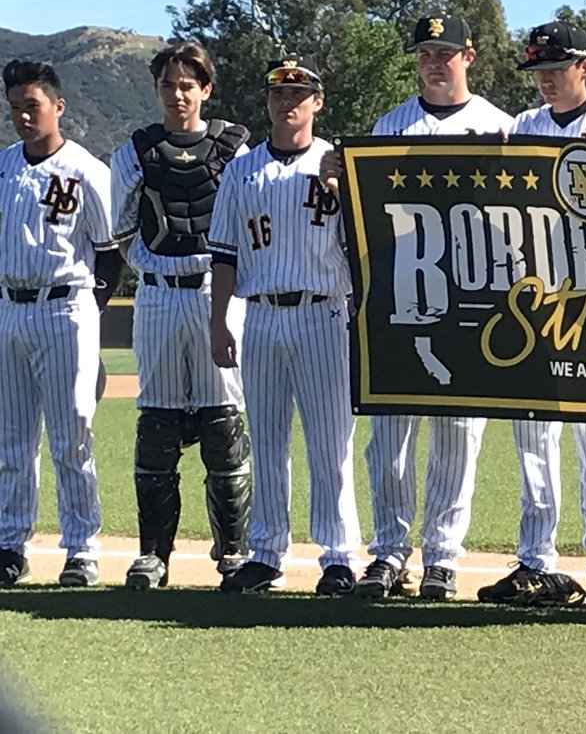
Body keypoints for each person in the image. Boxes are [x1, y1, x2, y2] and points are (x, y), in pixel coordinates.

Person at [320, 14, 514, 601]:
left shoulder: (500, 126)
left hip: (472, 298)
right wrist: (338, 182)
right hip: (401, 296)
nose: (434, 61)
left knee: (459, 433)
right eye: (425, 53)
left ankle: (444, 558)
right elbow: (366, 213)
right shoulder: (391, 124)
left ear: (469, 56)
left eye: (445, 52)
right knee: (390, 438)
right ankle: (387, 551)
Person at [476, 20, 586, 610]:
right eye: (539, 71)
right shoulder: (522, 127)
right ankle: (536, 561)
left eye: (556, 68)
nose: (546, 80)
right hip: (540, 299)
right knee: (533, 437)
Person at [209, 56, 360, 595]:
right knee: (268, 441)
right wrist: (218, 321)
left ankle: (339, 555)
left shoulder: (339, 165)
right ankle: (266, 552)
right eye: (278, 92)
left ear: (318, 101)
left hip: (323, 311)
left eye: (299, 92)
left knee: (330, 442)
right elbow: (223, 252)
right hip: (262, 314)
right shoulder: (242, 170)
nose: (287, 101)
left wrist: (348, 192)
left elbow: (367, 244)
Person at [109, 42, 252, 589]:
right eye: (167, 85)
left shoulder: (234, 148)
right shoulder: (138, 150)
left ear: (206, 89)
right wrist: (143, 264)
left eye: (187, 84)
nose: (177, 94)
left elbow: (250, 215)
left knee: (222, 425)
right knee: (159, 425)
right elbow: (115, 221)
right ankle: (153, 554)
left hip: (217, 291)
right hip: (159, 293)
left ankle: (234, 552)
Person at [0, 60, 118, 587]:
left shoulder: (88, 170)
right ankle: (9, 542)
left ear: (58, 107)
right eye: (16, 107)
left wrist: (92, 314)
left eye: (33, 105)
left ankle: (81, 548)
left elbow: (111, 253)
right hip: (10, 307)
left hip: (66, 305)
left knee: (73, 433)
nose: (24, 116)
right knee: (11, 439)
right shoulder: (3, 167)